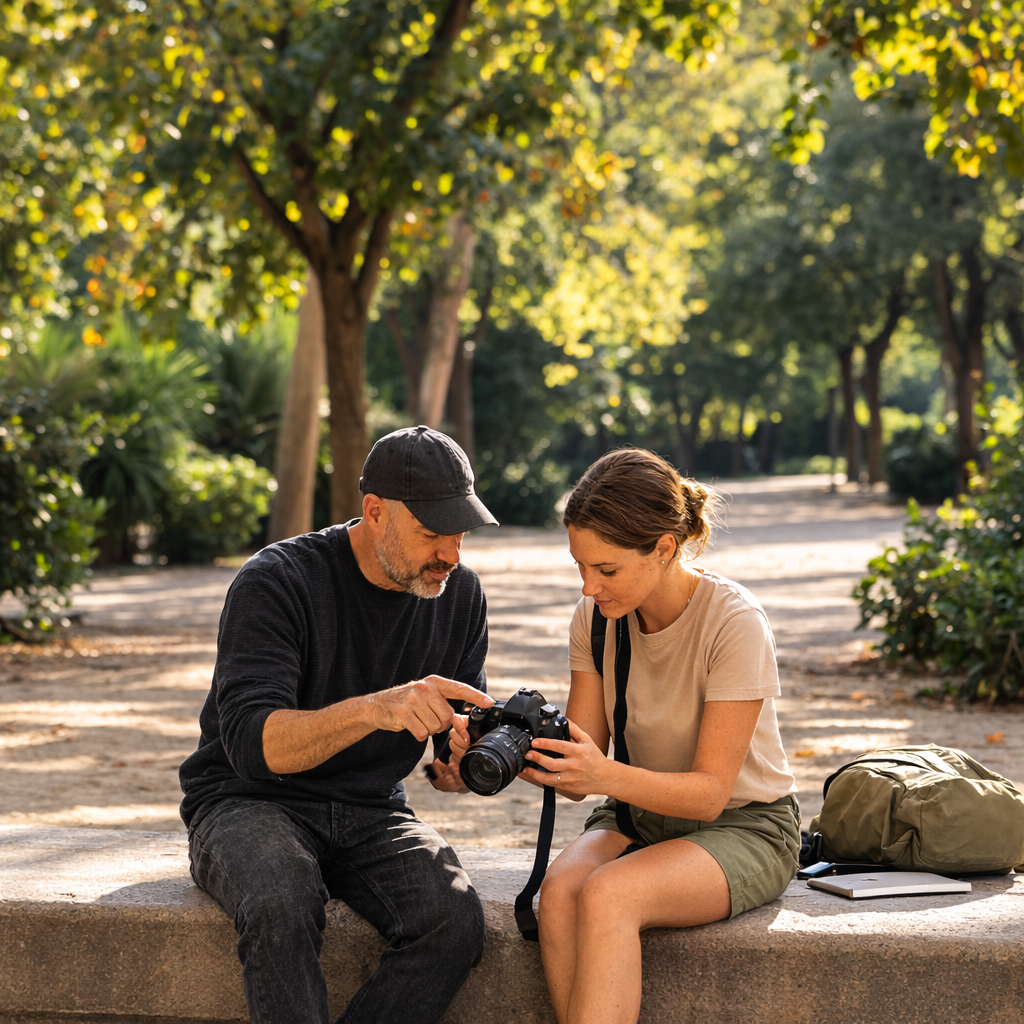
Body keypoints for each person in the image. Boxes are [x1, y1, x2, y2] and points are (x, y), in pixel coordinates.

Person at [178, 425, 499, 1024]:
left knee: (453, 921)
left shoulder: (459, 595)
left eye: (460, 532)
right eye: (432, 533)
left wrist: (463, 762)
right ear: (374, 512)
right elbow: (251, 744)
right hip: (247, 801)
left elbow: (445, 751)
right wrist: (377, 707)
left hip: (373, 807)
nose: (451, 554)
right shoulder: (277, 580)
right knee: (280, 899)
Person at [524, 449, 799, 1024]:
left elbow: (708, 794)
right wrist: (521, 751)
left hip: (744, 825)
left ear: (664, 548)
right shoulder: (596, 619)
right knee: (559, 897)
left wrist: (599, 774)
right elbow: (583, 771)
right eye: (580, 566)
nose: (588, 588)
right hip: (637, 815)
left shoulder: (734, 622)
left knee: (610, 894)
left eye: (606, 570)